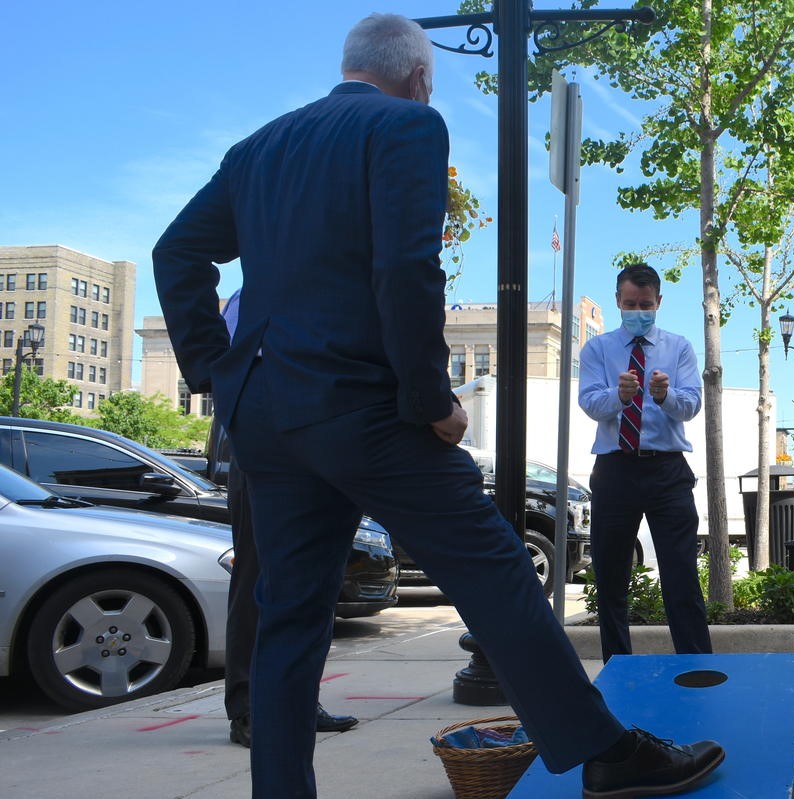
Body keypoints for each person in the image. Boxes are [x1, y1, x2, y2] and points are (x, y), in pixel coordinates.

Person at [152, 14, 723, 799]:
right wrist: (431, 400)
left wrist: (213, 370)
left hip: (268, 416)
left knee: (288, 616)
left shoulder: (257, 148)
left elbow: (175, 251)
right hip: (365, 408)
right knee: (496, 573)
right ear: (420, 77)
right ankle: (606, 752)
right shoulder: (409, 126)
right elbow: (406, 267)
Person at [218, 289, 358, 748]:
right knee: (259, 576)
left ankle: (298, 700)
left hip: (327, 440)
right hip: (265, 441)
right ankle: (248, 709)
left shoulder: (333, 285)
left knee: (319, 579)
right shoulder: (252, 293)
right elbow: (232, 357)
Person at [578, 263, 712, 663]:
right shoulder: (597, 349)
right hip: (615, 470)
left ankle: (696, 669)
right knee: (611, 578)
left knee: (681, 577)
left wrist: (664, 396)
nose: (638, 310)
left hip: (667, 471)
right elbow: (588, 402)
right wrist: (618, 397)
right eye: (631, 303)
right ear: (618, 300)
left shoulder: (679, 348)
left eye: (646, 304)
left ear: (659, 303)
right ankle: (618, 669)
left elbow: (690, 406)